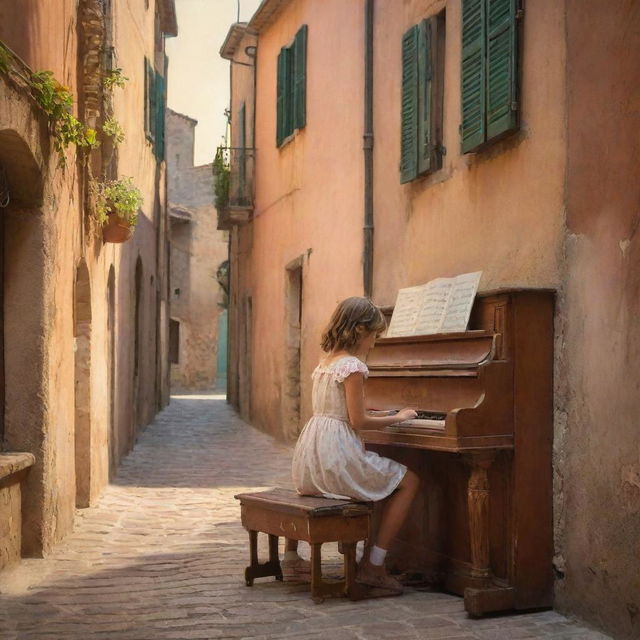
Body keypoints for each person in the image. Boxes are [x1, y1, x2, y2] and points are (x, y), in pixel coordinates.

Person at [283, 296, 420, 593]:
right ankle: (374, 565)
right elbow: (357, 422)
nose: (374, 342)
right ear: (360, 331)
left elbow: (342, 411)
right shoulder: (354, 366)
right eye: (375, 335)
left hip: (313, 457)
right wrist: (398, 417)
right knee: (409, 481)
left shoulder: (326, 362)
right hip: (337, 459)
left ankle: (294, 556)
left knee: (380, 479)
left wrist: (378, 413)